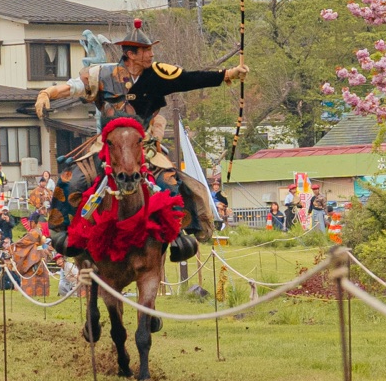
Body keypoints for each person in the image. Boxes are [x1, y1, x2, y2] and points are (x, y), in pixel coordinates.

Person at [34, 21, 246, 252]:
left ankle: (178, 234)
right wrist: (46, 93)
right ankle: (60, 232)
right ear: (130, 54)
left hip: (145, 145)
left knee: (171, 183)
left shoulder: (158, 75)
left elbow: (191, 79)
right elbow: (71, 88)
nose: (151, 54)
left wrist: (228, 74)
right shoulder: (102, 74)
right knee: (71, 179)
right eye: (146, 50)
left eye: (150, 49)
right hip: (107, 145)